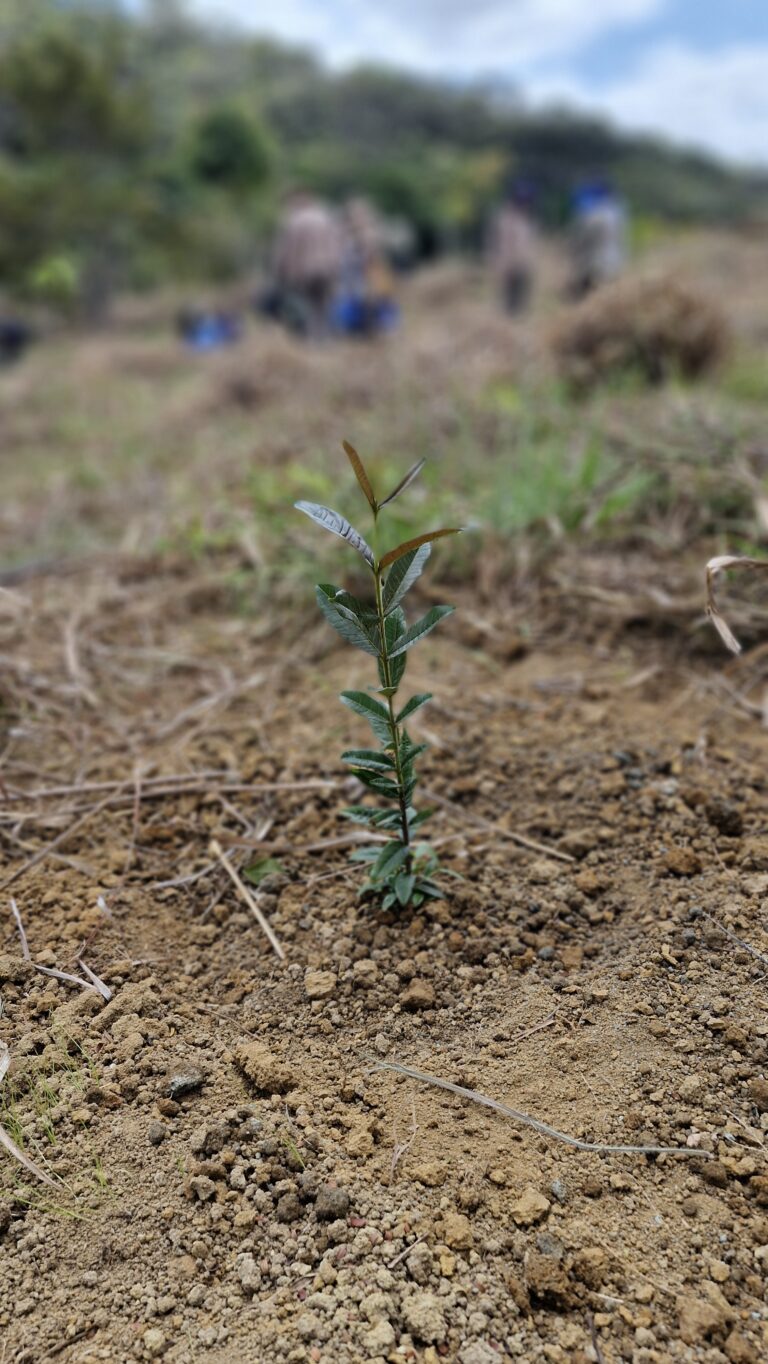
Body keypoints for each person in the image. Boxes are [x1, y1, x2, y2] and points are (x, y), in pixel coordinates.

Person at [270, 191, 343, 339]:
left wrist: (279, 272)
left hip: (305, 271)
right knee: (324, 305)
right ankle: (326, 340)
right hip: (328, 269)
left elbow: (285, 251)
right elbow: (338, 244)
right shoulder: (325, 218)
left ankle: (313, 341)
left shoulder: (293, 221)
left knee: (309, 307)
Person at [333, 197, 399, 338]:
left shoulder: (373, 233)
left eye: (361, 215)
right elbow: (343, 259)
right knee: (356, 312)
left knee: (381, 309)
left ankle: (383, 333)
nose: (359, 219)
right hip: (354, 282)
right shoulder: (345, 235)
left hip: (374, 279)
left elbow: (379, 258)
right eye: (355, 216)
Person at [569, 179, 628, 298]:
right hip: (615, 264)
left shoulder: (594, 215)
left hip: (596, 266)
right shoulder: (618, 213)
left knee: (585, 298)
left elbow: (580, 240)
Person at [487, 181, 536, 315]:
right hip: (509, 267)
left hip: (522, 266)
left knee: (521, 305)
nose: (526, 204)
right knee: (509, 306)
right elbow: (502, 245)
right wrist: (503, 266)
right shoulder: (505, 218)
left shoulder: (524, 218)